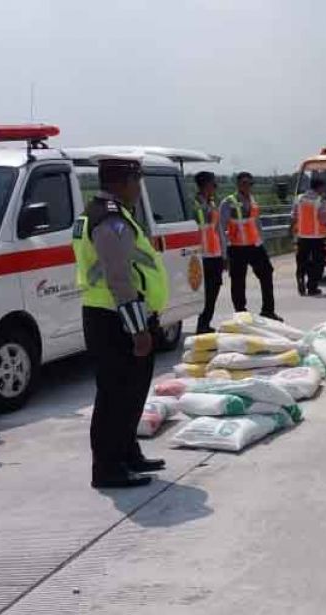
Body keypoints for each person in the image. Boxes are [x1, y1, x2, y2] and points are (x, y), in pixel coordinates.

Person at [72, 157, 169, 489]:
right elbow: (118, 277)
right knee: (115, 396)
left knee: (133, 392)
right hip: (115, 318)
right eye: (136, 180)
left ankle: (128, 453)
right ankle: (108, 468)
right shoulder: (108, 219)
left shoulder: (109, 213)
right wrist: (137, 328)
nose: (139, 187)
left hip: (123, 314)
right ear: (122, 182)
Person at [219, 172, 283, 321]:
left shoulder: (253, 201)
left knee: (267, 273)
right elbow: (221, 229)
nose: (247, 186)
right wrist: (223, 253)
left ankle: (268, 310)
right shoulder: (228, 202)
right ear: (238, 184)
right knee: (238, 281)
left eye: (249, 183)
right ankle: (241, 313)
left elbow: (257, 223)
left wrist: (261, 241)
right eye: (244, 183)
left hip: (255, 246)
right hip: (237, 247)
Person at [192, 171, 227, 334]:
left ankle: (205, 323)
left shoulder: (212, 205)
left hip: (214, 255)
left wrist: (224, 254)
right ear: (205, 185)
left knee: (213, 291)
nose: (215, 187)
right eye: (213, 184)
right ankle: (202, 324)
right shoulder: (193, 205)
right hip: (200, 256)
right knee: (203, 292)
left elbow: (218, 231)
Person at [290, 177, 326, 296]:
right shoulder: (320, 200)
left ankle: (300, 280)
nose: (324, 189)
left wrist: (291, 230)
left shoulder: (299, 199)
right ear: (319, 187)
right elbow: (324, 219)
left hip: (302, 236)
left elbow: (293, 217)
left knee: (301, 261)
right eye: (323, 187)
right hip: (317, 238)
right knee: (317, 263)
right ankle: (312, 287)